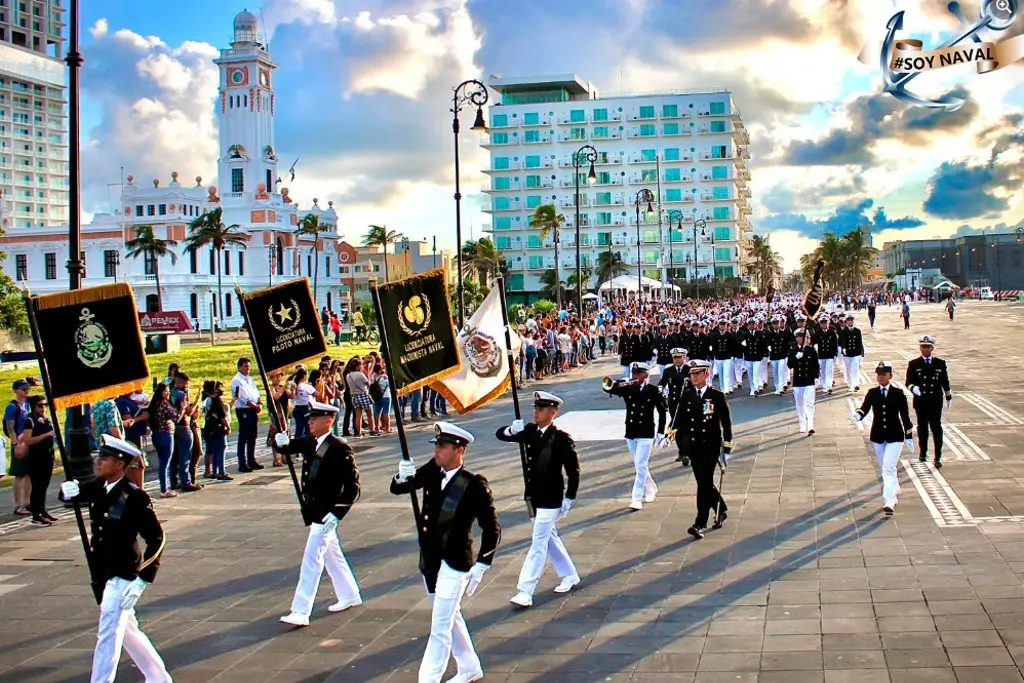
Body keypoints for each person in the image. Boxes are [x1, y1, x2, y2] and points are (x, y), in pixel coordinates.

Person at [391, 423, 501, 683]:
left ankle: (429, 679)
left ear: (459, 450)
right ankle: (470, 667)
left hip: (454, 563)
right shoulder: (432, 471)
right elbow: (400, 489)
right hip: (430, 560)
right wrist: (401, 476)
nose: (437, 450)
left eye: (442, 446)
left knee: (440, 626)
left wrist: (484, 562)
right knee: (451, 616)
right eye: (436, 445)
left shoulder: (473, 484)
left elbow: (491, 527)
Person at [59, 435, 171, 683]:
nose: (98, 463)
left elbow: (157, 538)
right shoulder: (100, 486)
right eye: (99, 458)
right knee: (129, 632)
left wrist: (143, 579)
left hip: (124, 574)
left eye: (105, 459)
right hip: (103, 572)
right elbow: (76, 494)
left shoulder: (134, 497)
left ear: (120, 464)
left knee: (108, 634)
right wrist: (66, 492)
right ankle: (159, 679)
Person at [274, 400, 363, 626]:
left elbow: (353, 488)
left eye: (314, 419)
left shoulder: (339, 448)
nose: (310, 423)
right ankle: (349, 594)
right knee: (333, 556)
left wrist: (336, 514)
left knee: (311, 560)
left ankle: (301, 610)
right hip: (315, 511)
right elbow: (291, 446)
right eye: (310, 419)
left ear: (328, 420)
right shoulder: (312, 442)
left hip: (326, 513)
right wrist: (281, 443)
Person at [496, 391, 581, 608]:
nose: (536, 412)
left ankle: (525, 590)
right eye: (535, 408)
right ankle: (570, 574)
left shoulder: (562, 439)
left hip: (552, 498)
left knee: (538, 543)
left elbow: (573, 471)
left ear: (553, 412)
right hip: (533, 497)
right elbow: (501, 435)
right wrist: (511, 429)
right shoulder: (530, 432)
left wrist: (569, 497)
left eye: (541, 409)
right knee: (549, 538)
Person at [670, 360, 733, 539]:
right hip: (694, 446)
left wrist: (727, 445)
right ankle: (721, 509)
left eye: (698, 374)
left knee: (704, 482)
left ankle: (700, 523)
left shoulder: (716, 396)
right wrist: (670, 432)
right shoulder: (688, 395)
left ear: (706, 374)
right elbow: (679, 417)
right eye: (692, 374)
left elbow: (726, 422)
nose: (694, 377)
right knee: (703, 482)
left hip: (710, 445)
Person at [602, 362, 667, 511]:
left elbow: (662, 412)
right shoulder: (628, 388)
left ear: (645, 375)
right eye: (633, 373)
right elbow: (609, 388)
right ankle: (651, 488)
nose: (634, 376)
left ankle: (636, 498)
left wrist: (661, 432)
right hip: (631, 431)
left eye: (638, 373)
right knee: (639, 465)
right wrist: (621, 381)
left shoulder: (653, 390)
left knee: (641, 464)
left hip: (646, 432)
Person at [851, 362, 914, 516]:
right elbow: (864, 407)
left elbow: (905, 416)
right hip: (878, 435)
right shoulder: (872, 393)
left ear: (890, 376)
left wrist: (909, 435)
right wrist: (858, 415)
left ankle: (889, 501)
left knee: (888, 468)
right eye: (879, 374)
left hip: (895, 436)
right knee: (885, 467)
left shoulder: (898, 394)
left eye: (884, 374)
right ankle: (895, 487)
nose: (881, 377)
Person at [905, 335, 952, 468]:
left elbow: (944, 381)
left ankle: (938, 456)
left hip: (935, 401)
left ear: (932, 348)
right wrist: (913, 388)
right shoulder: (914, 364)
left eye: (927, 347)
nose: (925, 350)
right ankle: (923, 452)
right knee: (922, 428)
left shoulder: (940, 363)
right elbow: (908, 382)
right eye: (922, 347)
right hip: (921, 401)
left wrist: (948, 396)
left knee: (936, 428)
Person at [23, 395, 57, 525]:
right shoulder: (30, 420)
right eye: (40, 405)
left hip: (47, 456)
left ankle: (43, 510)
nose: (43, 408)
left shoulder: (46, 420)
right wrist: (46, 435)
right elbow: (28, 440)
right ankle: (36, 513)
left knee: (44, 486)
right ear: (33, 407)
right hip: (36, 458)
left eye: (45, 405)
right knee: (37, 486)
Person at [658, 348, 692, 465]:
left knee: (686, 428)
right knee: (677, 429)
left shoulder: (689, 370)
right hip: (674, 404)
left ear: (684, 358)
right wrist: (660, 389)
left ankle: (685, 453)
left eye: (679, 357)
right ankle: (682, 451)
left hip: (687, 403)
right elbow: (662, 382)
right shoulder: (668, 370)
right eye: (675, 358)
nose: (677, 360)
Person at [231, 357, 264, 473]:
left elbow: (256, 392)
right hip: (244, 409)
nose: (248, 369)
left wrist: (259, 402)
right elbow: (243, 397)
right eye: (245, 366)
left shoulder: (249, 379)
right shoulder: (237, 380)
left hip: (253, 409)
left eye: (249, 366)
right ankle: (242, 462)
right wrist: (255, 406)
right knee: (244, 436)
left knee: (252, 436)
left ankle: (251, 459)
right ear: (240, 367)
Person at [5, 379, 32, 512]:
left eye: (27, 388)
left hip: (28, 441)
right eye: (24, 389)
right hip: (18, 443)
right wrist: (16, 444)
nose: (27, 391)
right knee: (19, 474)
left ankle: (27, 502)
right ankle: (17, 504)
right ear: (16, 390)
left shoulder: (28, 404)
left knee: (28, 473)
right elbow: (10, 428)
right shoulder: (12, 407)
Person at [788, 328, 820, 436]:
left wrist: (816, 377)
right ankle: (802, 424)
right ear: (796, 338)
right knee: (800, 404)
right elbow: (789, 365)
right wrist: (796, 357)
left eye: (804, 337)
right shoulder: (793, 350)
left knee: (809, 403)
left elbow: (816, 365)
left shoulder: (811, 350)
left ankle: (810, 424)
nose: (802, 339)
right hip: (798, 382)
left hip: (809, 381)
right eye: (800, 337)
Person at [841, 314, 865, 392]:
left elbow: (860, 343)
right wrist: (844, 348)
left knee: (855, 369)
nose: (850, 322)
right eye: (849, 321)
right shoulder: (844, 331)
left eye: (851, 320)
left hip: (856, 353)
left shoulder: (857, 331)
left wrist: (862, 353)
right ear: (846, 322)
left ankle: (856, 384)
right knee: (848, 369)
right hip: (847, 354)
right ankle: (850, 383)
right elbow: (843, 341)